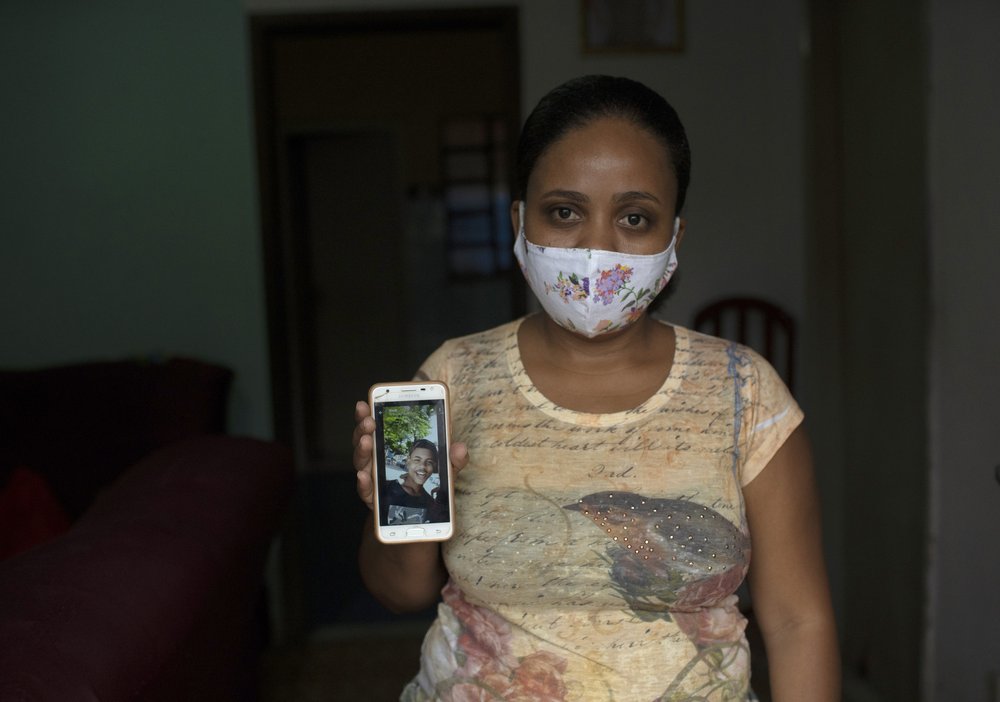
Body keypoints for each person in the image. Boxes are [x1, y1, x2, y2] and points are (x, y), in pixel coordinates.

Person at [353, 75, 839, 701]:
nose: (597, 249)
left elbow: (799, 622)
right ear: (520, 221)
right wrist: (398, 506)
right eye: (565, 212)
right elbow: (399, 592)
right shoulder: (452, 377)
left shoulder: (744, 394)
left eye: (635, 217)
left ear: (674, 240)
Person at [382, 438, 440, 525]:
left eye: (429, 462)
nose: (422, 466)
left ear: (434, 467)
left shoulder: (431, 504)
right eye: (417, 460)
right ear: (408, 462)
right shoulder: (386, 488)